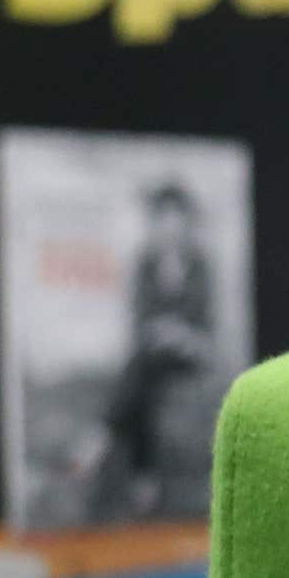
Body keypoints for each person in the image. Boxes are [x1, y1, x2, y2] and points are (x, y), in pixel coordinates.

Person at [65, 180, 216, 522]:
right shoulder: (145, 264)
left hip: (190, 355)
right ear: (155, 223)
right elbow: (140, 318)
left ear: (187, 222)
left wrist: (179, 333)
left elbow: (206, 326)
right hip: (153, 354)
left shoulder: (201, 265)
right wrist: (161, 331)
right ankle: (145, 481)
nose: (170, 227)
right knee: (146, 380)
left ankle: (104, 439)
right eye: (163, 219)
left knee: (141, 370)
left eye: (177, 219)